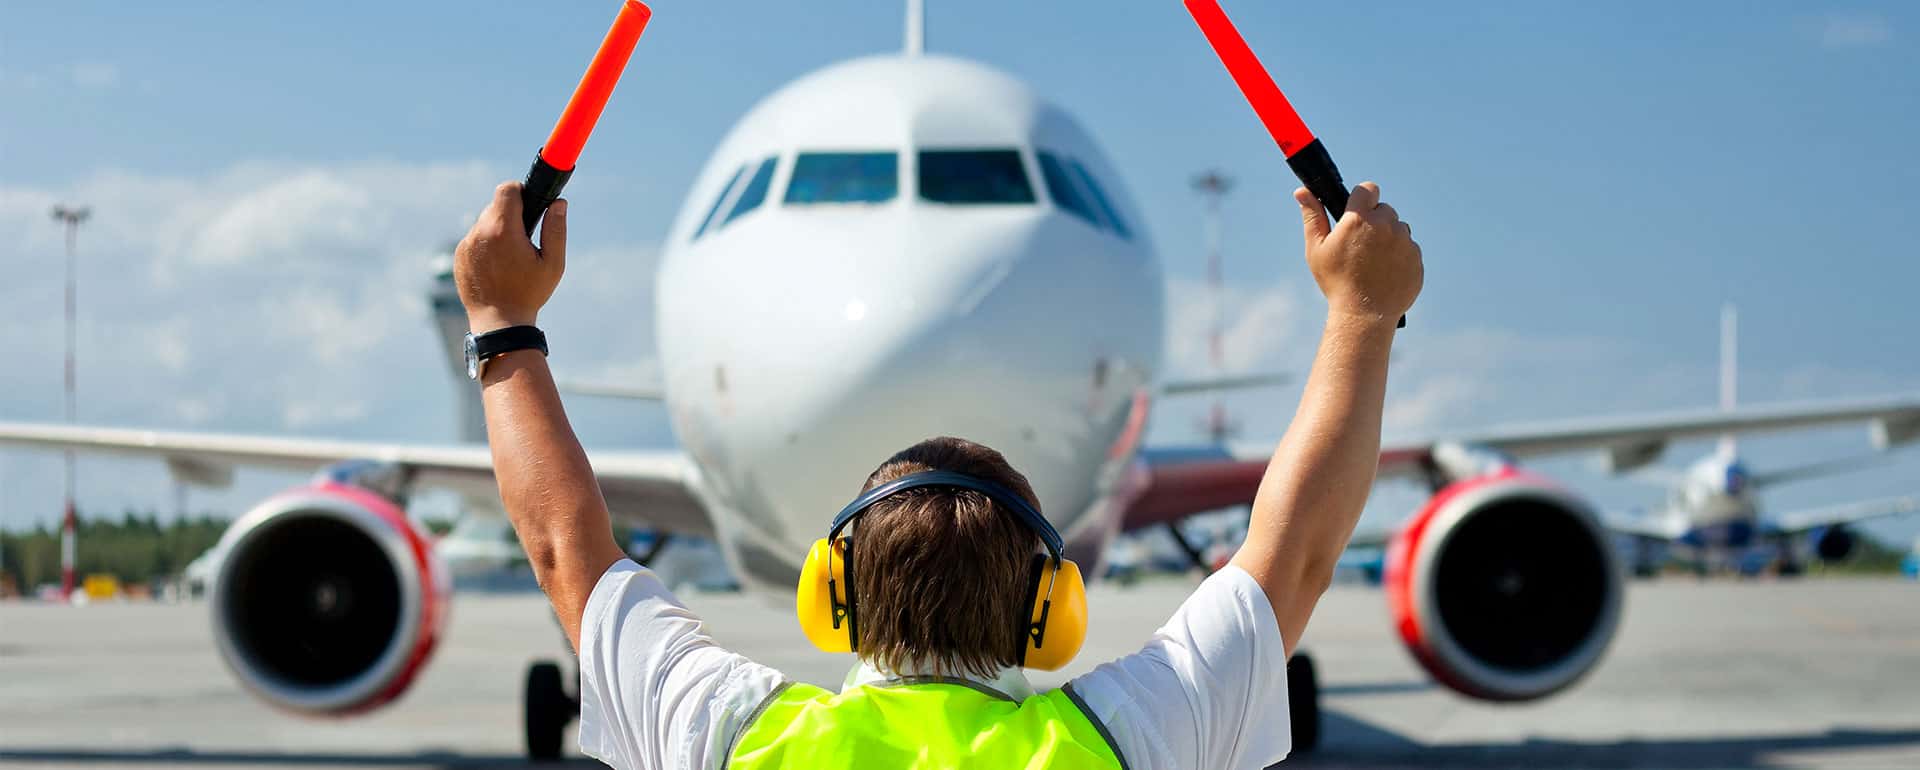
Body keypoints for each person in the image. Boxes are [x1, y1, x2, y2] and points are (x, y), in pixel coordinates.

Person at [454, 179, 1421, 769]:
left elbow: (560, 544)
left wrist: (502, 325)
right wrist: (1362, 316)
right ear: (1053, 608)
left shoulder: (734, 738)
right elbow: (1293, 555)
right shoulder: (1127, 741)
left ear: (830, 593)